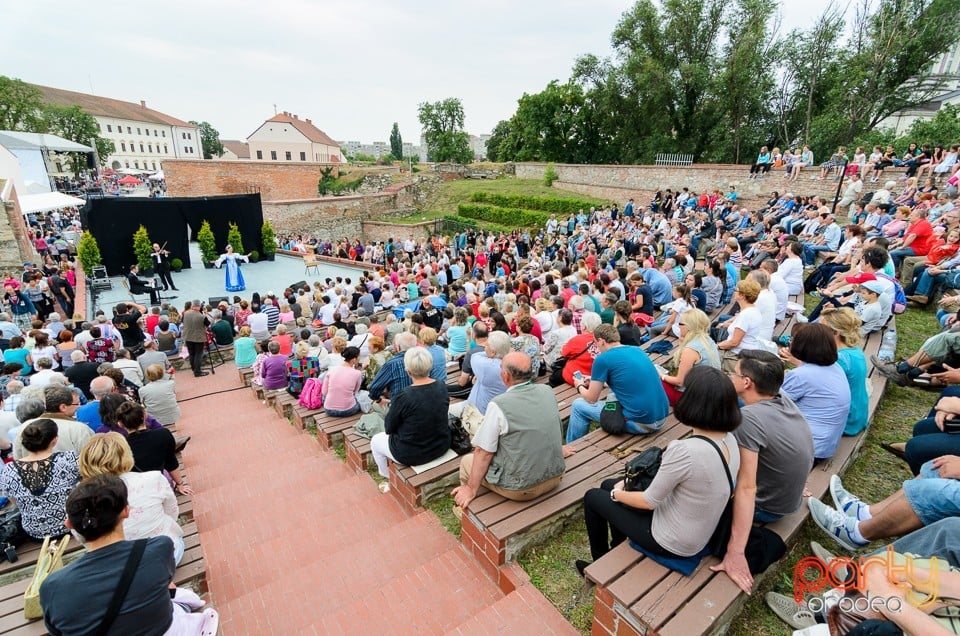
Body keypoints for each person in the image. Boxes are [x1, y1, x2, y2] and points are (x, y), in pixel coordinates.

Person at [578, 366, 741, 574]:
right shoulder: (730, 440)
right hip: (697, 529)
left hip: (672, 540)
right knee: (608, 483)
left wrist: (616, 494)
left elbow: (649, 502)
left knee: (594, 496)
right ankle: (616, 547)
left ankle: (597, 565)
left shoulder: (685, 450)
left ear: (692, 401)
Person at [40, 475, 218, 636]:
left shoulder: (52, 587)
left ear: (69, 524)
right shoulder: (158, 549)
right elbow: (165, 584)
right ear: (126, 510)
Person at [710, 351, 814, 593]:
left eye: (732, 373)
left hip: (767, 507)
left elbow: (746, 487)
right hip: (790, 497)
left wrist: (735, 552)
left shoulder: (748, 419)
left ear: (747, 382)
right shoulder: (781, 398)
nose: (729, 376)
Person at [452, 352, 565, 511]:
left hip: (522, 488)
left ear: (505, 376)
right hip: (555, 475)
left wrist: (471, 488)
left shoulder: (499, 404)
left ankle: (469, 506)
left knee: (467, 462)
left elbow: (483, 453)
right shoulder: (547, 391)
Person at [78, 433, 185, 564]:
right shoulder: (153, 478)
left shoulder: (79, 495)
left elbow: (82, 537)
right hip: (167, 554)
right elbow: (172, 512)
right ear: (126, 454)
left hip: (118, 566)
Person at [567, 324, 669, 444]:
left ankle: (573, 446)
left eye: (595, 343)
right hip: (661, 417)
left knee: (578, 405)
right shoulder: (636, 350)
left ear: (601, 341)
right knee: (613, 394)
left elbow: (591, 398)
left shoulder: (602, 359)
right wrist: (595, 381)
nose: (595, 346)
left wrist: (579, 385)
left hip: (642, 423)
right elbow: (626, 381)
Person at [370, 348, 451, 488]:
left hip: (410, 454)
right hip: (441, 445)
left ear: (408, 372)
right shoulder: (441, 386)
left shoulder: (404, 396)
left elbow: (389, 428)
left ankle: (387, 477)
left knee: (375, 441)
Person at [779, 322, 851, 461]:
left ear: (803, 345)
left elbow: (771, 403)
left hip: (807, 448)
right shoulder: (835, 367)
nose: (790, 342)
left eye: (793, 339)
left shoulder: (801, 375)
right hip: (825, 444)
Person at [0, 418, 80, 539]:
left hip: (35, 532)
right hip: (72, 526)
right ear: (54, 440)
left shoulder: (9, 469)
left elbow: (15, 502)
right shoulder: (68, 458)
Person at [117, 401, 192, 495]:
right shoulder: (163, 434)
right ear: (144, 416)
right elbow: (171, 462)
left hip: (135, 490)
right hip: (160, 484)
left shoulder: (120, 446)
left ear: (120, 424)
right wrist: (180, 484)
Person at [820, 307, 869, 437]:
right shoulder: (854, 350)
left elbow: (819, 390)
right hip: (858, 414)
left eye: (821, 328)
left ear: (835, 332)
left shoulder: (839, 359)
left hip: (846, 420)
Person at [659, 309, 720, 405]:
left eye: (680, 323)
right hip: (708, 393)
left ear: (688, 327)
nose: (678, 325)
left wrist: (662, 376)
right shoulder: (707, 339)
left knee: (652, 377)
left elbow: (680, 382)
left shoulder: (690, 349)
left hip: (691, 399)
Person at [13, 385, 92, 459]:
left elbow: (18, 457)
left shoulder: (25, 425)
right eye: (77, 404)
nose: (79, 406)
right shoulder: (79, 428)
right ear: (63, 407)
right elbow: (90, 457)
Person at [321, 346, 362, 416]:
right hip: (348, 410)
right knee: (361, 402)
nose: (360, 358)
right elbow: (355, 391)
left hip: (329, 409)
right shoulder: (357, 373)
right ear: (354, 360)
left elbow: (324, 392)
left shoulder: (332, 370)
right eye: (359, 356)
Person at [181, 300, 209, 378]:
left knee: (191, 353)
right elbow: (208, 324)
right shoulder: (201, 316)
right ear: (199, 306)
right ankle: (197, 372)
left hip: (188, 336)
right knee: (198, 354)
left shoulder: (185, 313)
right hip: (198, 337)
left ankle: (194, 368)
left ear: (192, 306)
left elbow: (183, 321)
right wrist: (205, 314)